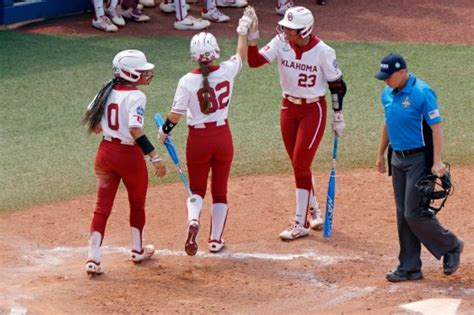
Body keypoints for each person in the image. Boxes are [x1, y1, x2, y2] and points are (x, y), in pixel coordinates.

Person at [158, 8, 254, 256]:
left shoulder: (186, 81)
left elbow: (175, 115)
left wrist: (164, 131)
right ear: (214, 53)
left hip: (197, 140)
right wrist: (242, 29)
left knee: (197, 189)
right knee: (220, 190)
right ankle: (215, 239)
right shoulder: (227, 70)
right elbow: (240, 55)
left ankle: (193, 220)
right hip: (223, 137)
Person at [247, 6, 347, 241]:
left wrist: (338, 114)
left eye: (291, 29)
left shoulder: (324, 52)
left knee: (301, 164)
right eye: (285, 27)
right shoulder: (281, 43)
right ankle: (314, 211)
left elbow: (337, 85)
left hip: (313, 110)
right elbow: (254, 62)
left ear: (305, 31)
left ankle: (300, 223)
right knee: (298, 165)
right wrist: (252, 37)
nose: (285, 32)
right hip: (288, 108)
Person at [374, 53, 464, 282]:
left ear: (402, 72)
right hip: (398, 158)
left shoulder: (422, 92)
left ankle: (451, 245)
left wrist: (437, 161)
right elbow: (388, 122)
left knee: (414, 213)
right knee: (402, 214)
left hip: (419, 159)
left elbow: (436, 127)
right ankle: (410, 267)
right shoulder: (387, 93)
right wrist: (380, 153)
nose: (385, 81)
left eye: (388, 76)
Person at [83, 50, 166, 277]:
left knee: (102, 207)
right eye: (141, 71)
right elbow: (134, 129)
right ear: (129, 73)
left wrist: (100, 125)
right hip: (128, 156)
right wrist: (154, 156)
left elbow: (90, 112)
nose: (146, 74)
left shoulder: (106, 90)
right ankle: (138, 251)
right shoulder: (136, 96)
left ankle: (93, 259)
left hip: (105, 153)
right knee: (137, 203)